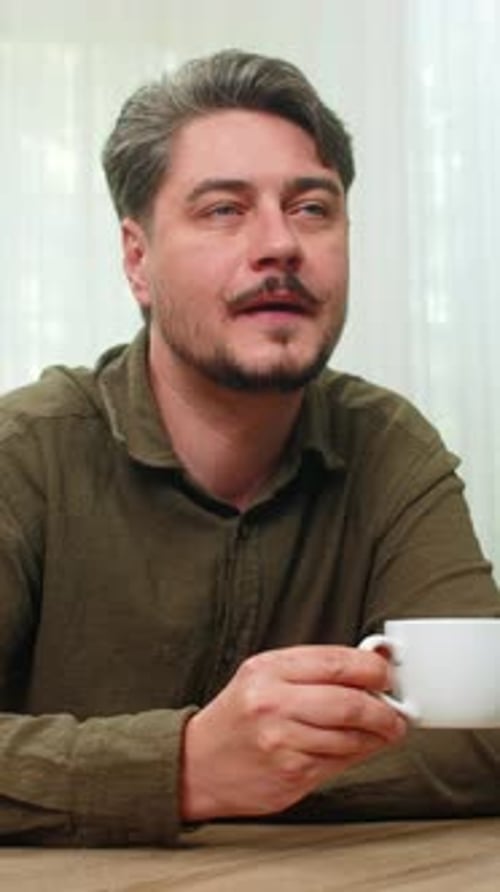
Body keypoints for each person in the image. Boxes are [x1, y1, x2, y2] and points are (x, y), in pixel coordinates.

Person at [0, 49, 498, 848]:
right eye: (224, 210)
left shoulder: (390, 445)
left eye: (311, 208)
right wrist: (187, 765)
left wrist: (259, 769)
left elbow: (482, 734)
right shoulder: (24, 453)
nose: (280, 245)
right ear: (138, 260)